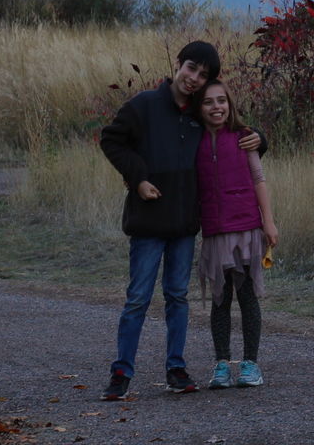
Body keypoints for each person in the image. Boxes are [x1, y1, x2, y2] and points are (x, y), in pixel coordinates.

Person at [97, 41, 262, 400]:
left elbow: (234, 133)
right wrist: (137, 177)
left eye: (203, 75)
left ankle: (176, 368)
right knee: (138, 298)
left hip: (185, 224)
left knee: (177, 296)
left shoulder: (199, 116)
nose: (194, 78)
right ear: (178, 64)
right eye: (191, 68)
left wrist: (260, 138)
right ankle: (121, 373)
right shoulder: (144, 105)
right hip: (147, 222)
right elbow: (111, 140)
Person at [194, 78, 279, 389]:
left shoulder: (245, 138)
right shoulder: (195, 140)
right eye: (208, 102)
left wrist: (268, 222)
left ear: (229, 104)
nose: (216, 107)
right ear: (199, 108)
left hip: (246, 229)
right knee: (220, 300)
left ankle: (251, 364)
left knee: (247, 298)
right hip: (215, 232)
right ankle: (221, 365)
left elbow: (259, 179)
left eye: (221, 101)